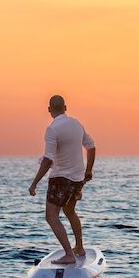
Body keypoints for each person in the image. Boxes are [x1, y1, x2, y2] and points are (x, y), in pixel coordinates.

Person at [29, 95, 96, 265]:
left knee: (51, 216)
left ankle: (69, 254)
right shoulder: (77, 124)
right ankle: (79, 247)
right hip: (77, 178)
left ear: (49, 110)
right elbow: (91, 146)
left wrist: (35, 182)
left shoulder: (52, 129)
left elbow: (48, 159)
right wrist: (88, 170)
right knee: (69, 211)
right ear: (65, 107)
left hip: (60, 179)